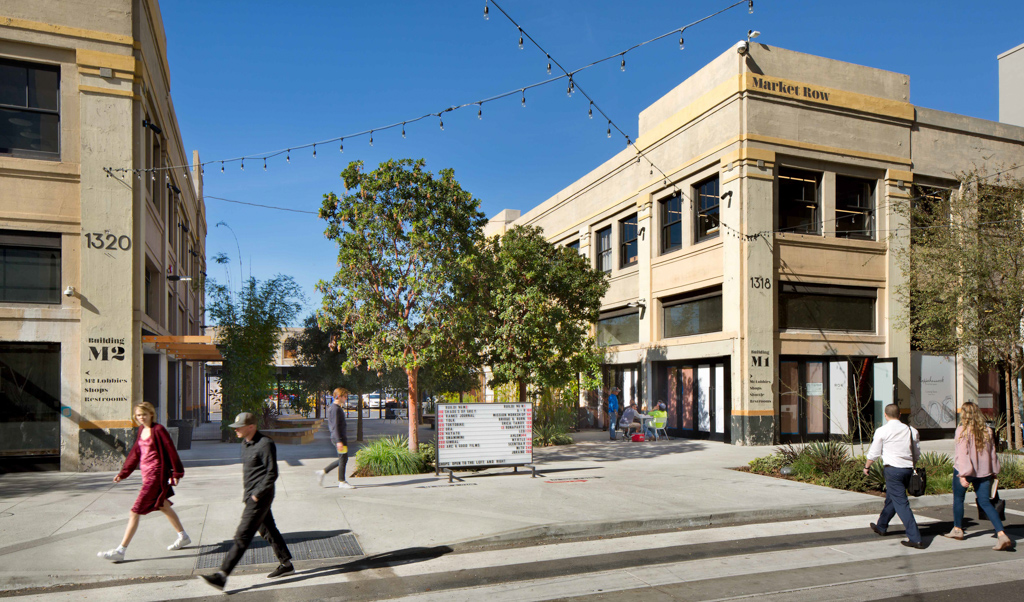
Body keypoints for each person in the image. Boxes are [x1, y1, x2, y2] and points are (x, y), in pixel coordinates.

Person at [200, 412, 294, 591]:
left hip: (260, 497)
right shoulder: (245, 443)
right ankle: (286, 564)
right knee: (268, 529)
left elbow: (272, 473)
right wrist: (248, 494)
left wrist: (257, 494)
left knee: (242, 536)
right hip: (250, 496)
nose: (236, 430)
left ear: (251, 426)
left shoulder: (265, 444)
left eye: (239, 427)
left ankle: (222, 576)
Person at [98, 402, 189, 562]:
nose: (141, 418)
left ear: (151, 414)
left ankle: (121, 550)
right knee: (163, 506)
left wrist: (177, 472)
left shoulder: (158, 430)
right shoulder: (142, 430)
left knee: (134, 511)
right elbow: (135, 453)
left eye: (144, 414)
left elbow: (170, 450)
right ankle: (183, 536)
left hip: (156, 475)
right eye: (139, 415)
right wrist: (123, 473)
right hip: (146, 475)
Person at [943, 401, 1014, 551]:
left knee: (958, 499)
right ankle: (1001, 534)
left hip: (965, 470)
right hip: (984, 472)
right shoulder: (987, 430)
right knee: (985, 503)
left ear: (964, 414)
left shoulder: (962, 430)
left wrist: (962, 475)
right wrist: (994, 471)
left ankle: (958, 529)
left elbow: (962, 455)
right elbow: (992, 453)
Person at [864, 403, 923, 549]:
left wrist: (867, 466)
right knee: (892, 498)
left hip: (892, 470)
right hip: (907, 470)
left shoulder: (882, 431)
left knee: (901, 504)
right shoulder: (911, 430)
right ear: (900, 415)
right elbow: (916, 453)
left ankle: (915, 538)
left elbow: (874, 452)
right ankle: (881, 526)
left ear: (885, 415)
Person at [314, 387, 353, 489]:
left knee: (343, 458)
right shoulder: (335, 409)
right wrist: (339, 441)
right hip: (339, 438)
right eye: (345, 396)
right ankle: (341, 481)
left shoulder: (336, 408)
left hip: (340, 438)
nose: (346, 398)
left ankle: (323, 472)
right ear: (339, 396)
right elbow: (334, 426)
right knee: (343, 459)